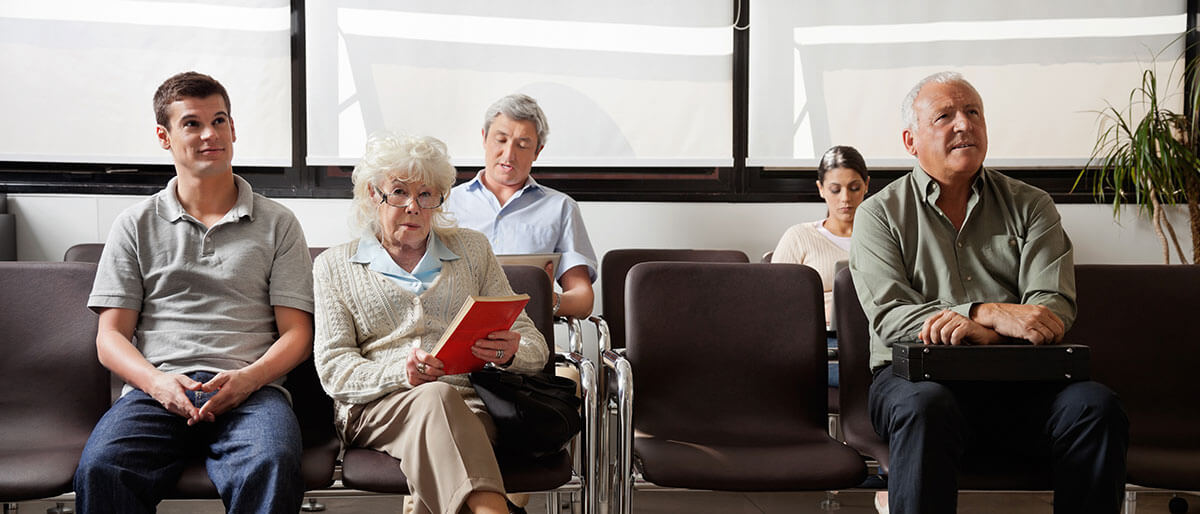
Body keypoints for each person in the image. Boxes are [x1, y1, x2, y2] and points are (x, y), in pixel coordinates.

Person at [849, 71, 1128, 514]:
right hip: (915, 380)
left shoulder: (1031, 205)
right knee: (927, 407)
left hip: (1020, 381)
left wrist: (988, 334)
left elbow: (1051, 310)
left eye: (973, 112)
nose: (965, 124)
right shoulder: (879, 214)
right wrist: (987, 311)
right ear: (910, 140)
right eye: (945, 115)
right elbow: (892, 317)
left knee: (1095, 405)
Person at [74, 72, 314, 513]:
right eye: (192, 124)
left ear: (234, 128)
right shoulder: (134, 224)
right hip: (156, 390)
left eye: (220, 120)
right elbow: (110, 339)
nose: (210, 134)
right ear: (164, 137)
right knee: (102, 468)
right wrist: (158, 384)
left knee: (272, 461)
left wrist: (248, 380)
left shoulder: (279, 223)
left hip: (252, 391)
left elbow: (297, 334)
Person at [313, 132, 549, 514]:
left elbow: (534, 346)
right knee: (436, 398)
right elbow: (334, 370)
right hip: (375, 410)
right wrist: (399, 374)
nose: (414, 207)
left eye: (426, 195)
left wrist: (510, 352)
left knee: (444, 423)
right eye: (399, 193)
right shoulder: (334, 266)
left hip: (470, 409)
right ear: (374, 194)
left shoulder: (472, 250)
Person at [444, 94, 598, 318]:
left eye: (523, 145)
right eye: (501, 139)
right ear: (484, 138)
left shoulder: (561, 208)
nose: (509, 154)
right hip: (456, 328)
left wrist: (544, 298)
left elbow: (583, 300)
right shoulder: (447, 203)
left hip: (529, 334)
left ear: (538, 151)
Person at [772, 145, 869, 388]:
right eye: (835, 190)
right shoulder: (799, 237)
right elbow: (772, 303)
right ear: (821, 189)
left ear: (867, 185)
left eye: (854, 187)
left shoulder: (884, 238)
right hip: (820, 342)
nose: (845, 198)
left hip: (873, 339)